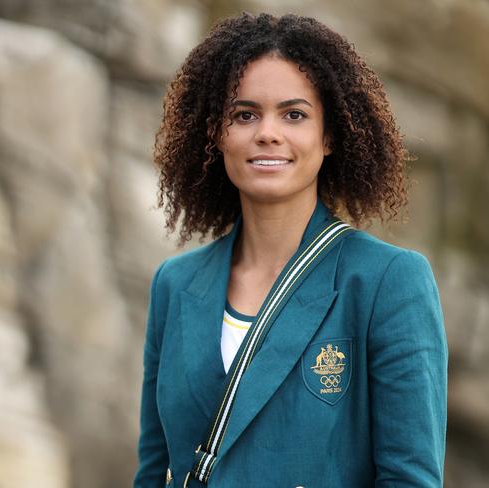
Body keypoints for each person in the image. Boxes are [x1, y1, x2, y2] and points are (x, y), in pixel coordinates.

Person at [134, 12, 447, 488]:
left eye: (294, 114)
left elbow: (410, 478)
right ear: (217, 135)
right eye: (245, 114)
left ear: (329, 137)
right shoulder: (174, 284)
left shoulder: (388, 281)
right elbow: (153, 471)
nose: (268, 132)